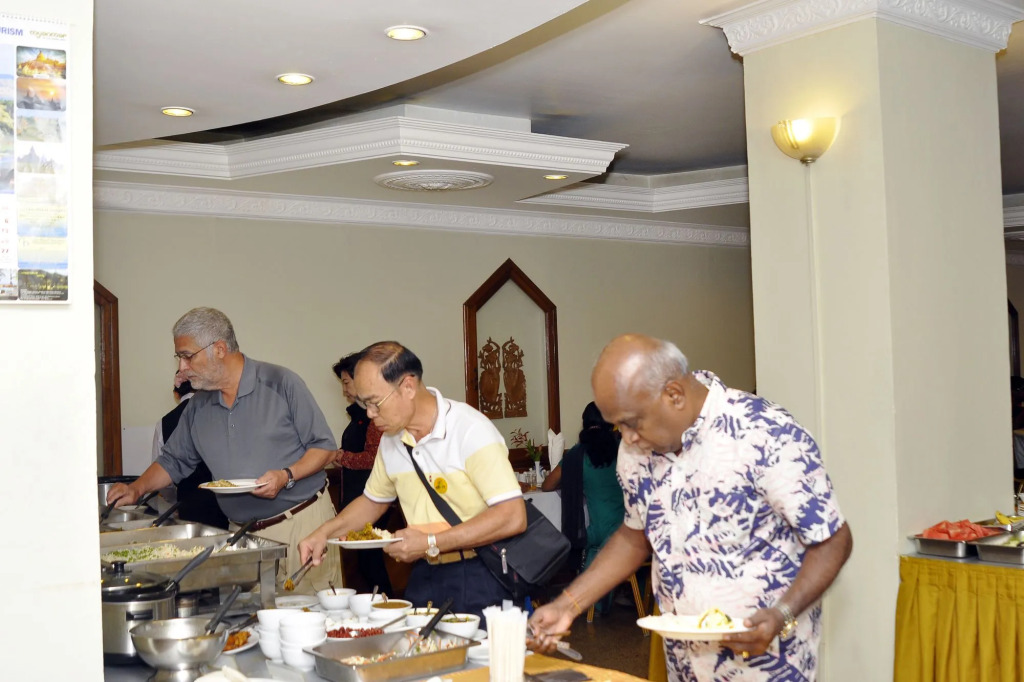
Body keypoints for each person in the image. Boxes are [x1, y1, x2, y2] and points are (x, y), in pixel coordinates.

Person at [529, 334, 853, 681]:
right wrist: (567, 604)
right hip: (684, 663)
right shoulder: (634, 453)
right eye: (617, 425)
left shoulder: (764, 432)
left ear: (674, 394)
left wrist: (782, 614)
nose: (627, 437)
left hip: (767, 663)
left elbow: (832, 540)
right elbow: (634, 537)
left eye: (632, 422)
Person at [107, 307, 342, 592]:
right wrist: (137, 488)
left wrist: (286, 476)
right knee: (251, 617)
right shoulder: (198, 406)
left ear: (219, 349)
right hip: (241, 536)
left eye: (187, 356)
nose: (182, 367)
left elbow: (325, 448)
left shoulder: (281, 383)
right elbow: (173, 461)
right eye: (179, 357)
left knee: (309, 615)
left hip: (301, 527)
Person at [299, 341, 527, 617]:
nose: (370, 414)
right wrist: (324, 532)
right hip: (424, 570)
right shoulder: (391, 440)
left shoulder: (470, 430)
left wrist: (431, 541)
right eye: (363, 403)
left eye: (374, 402)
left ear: (407, 386)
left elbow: (513, 516)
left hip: (480, 570)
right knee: (416, 645)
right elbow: (372, 502)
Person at [541, 401, 623, 614]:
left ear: (584, 424)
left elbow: (547, 485)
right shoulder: (624, 449)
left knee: (580, 538)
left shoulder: (577, 455)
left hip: (602, 531)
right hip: (634, 530)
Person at [331, 352, 393, 595]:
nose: (344, 390)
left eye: (346, 382)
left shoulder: (375, 417)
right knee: (365, 564)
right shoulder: (358, 415)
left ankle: (387, 604)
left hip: (373, 500)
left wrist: (340, 457)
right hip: (357, 498)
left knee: (370, 562)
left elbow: (374, 458)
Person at [150, 370, 228, 529]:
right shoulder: (220, 414)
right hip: (222, 507)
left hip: (187, 507)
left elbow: (162, 476)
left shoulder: (163, 424)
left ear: (176, 394)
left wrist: (175, 499)